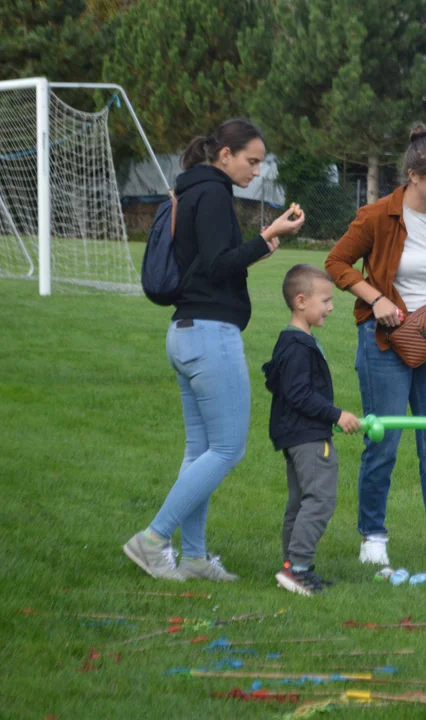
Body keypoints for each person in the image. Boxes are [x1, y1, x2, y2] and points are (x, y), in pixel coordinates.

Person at [123, 119, 304, 581]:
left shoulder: (192, 190)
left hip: (185, 333)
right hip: (208, 335)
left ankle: (197, 558)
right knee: (226, 449)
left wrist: (259, 245)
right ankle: (153, 539)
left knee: (201, 450)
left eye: (261, 162)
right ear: (224, 154)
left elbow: (208, 264)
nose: (257, 171)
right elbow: (220, 265)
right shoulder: (214, 193)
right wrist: (266, 238)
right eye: (252, 160)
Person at [324, 123, 426, 575]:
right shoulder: (377, 216)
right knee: (384, 441)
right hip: (384, 343)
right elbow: (336, 262)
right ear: (415, 174)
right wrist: (375, 299)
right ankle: (373, 536)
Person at [263, 265, 362, 596]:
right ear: (301, 301)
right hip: (308, 437)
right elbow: (299, 394)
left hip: (293, 435)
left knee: (301, 502)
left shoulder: (291, 342)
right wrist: (336, 415)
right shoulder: (298, 347)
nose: (331, 307)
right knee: (318, 500)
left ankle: (292, 567)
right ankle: (298, 568)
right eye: (326, 300)